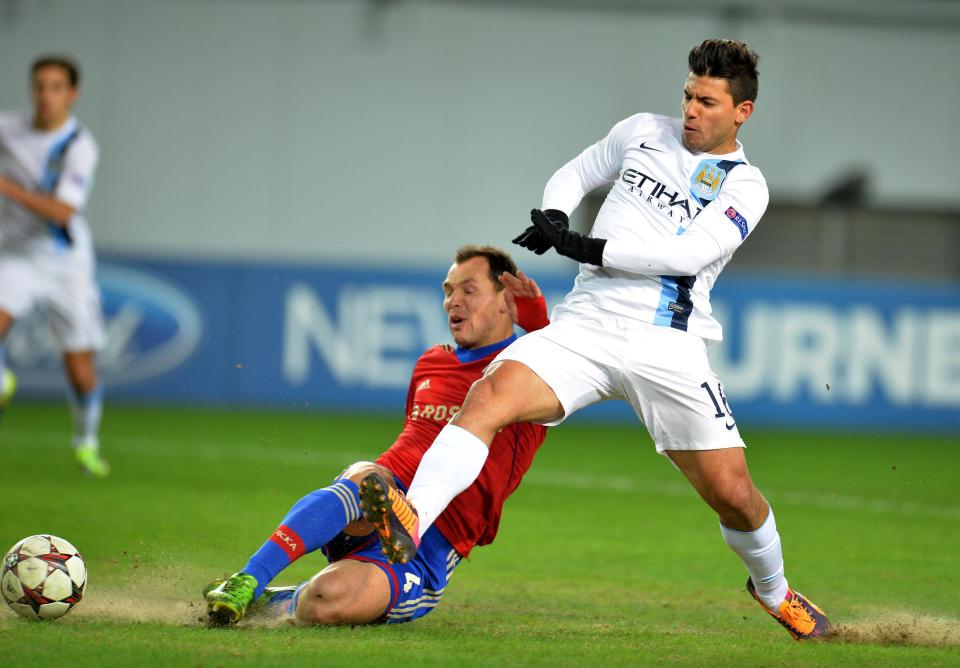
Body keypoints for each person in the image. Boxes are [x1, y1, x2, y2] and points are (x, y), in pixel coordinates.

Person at [364, 39, 832, 641]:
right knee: (487, 397)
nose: (690, 109)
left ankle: (776, 592)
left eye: (708, 102)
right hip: (585, 325)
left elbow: (687, 254)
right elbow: (580, 171)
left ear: (741, 112)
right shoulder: (643, 130)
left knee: (734, 495)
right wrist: (556, 215)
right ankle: (412, 521)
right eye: (688, 95)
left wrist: (588, 247)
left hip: (667, 343)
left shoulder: (747, 187)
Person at [204, 245, 551, 625]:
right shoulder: (433, 361)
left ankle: (282, 600)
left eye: (469, 290)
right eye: (448, 291)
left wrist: (538, 327)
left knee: (326, 601)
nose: (454, 301)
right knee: (367, 476)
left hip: (434, 542)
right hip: (377, 502)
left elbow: (566, 370)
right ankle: (247, 580)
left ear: (507, 301)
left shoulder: (525, 372)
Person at [0, 55, 108, 477]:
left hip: (65, 263)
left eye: (56, 87)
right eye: (40, 86)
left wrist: (7, 189)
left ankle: (86, 443)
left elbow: (63, 211)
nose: (46, 95)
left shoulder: (79, 146)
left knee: (80, 371)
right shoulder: (9, 128)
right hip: (14, 255)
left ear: (72, 94)